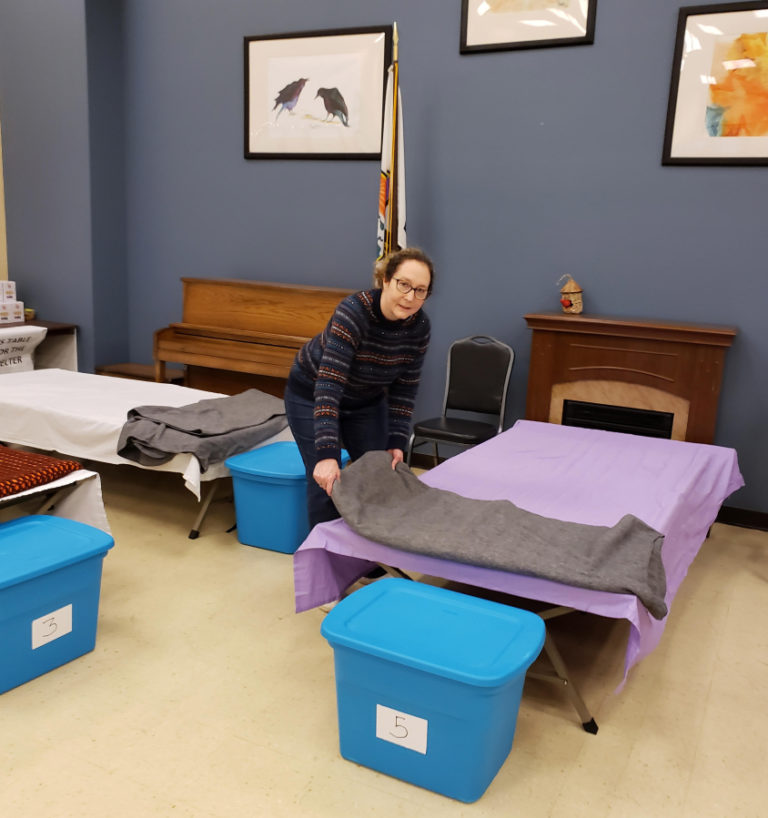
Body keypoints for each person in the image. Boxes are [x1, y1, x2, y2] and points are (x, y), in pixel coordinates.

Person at [284, 247, 434, 529]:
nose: (410, 297)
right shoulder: (353, 312)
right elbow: (329, 385)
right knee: (326, 480)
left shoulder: (420, 327)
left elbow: (405, 388)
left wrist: (395, 442)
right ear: (386, 280)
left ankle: (367, 556)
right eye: (404, 285)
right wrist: (328, 455)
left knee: (377, 475)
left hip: (365, 400)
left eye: (420, 290)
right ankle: (325, 561)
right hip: (311, 393)